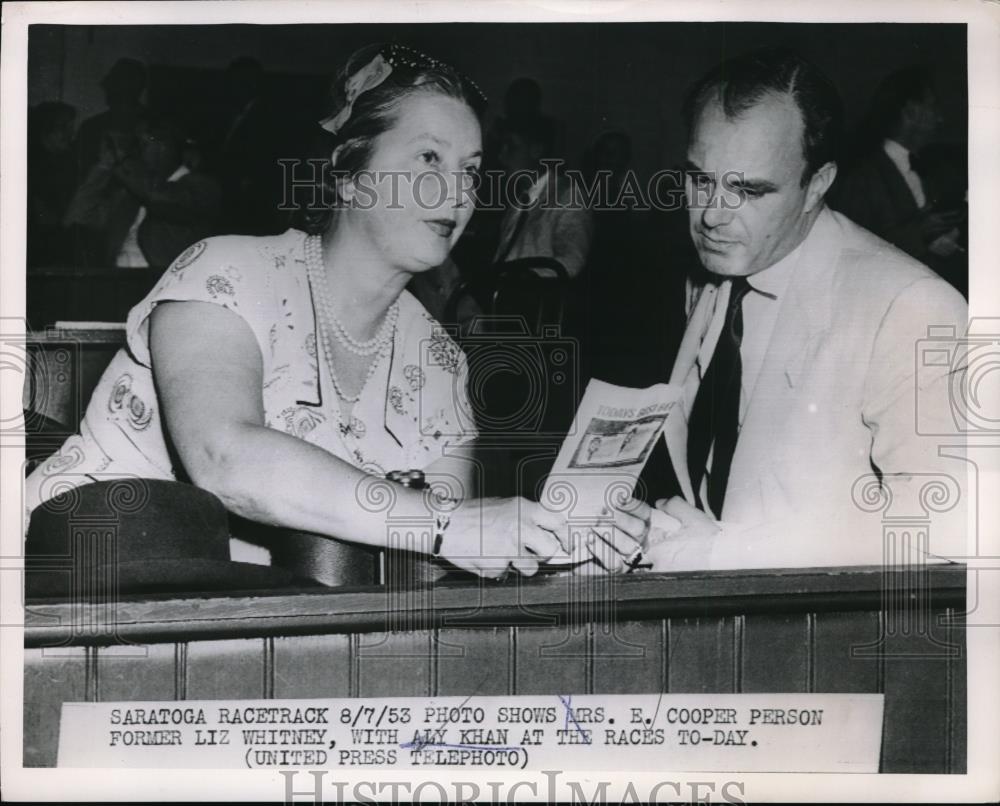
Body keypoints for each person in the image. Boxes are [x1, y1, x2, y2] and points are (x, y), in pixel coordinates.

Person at [27, 44, 633, 583]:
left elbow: (429, 561)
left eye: (470, 172)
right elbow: (224, 457)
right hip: (71, 586)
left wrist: (559, 541)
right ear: (348, 173)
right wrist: (453, 527)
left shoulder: (441, 361)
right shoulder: (225, 273)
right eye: (429, 159)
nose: (456, 193)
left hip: (258, 634)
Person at [593, 48, 968, 573]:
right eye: (700, 179)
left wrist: (727, 553)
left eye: (749, 189)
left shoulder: (911, 306)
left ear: (818, 184)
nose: (713, 216)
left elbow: (948, 527)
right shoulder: (709, 274)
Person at [829, 66, 964, 267]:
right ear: (911, 111)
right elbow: (850, 250)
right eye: (933, 106)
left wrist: (942, 239)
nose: (940, 117)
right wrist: (921, 235)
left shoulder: (929, 168)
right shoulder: (861, 175)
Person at [110, 116, 222, 269]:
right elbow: (80, 217)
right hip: (117, 277)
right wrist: (101, 169)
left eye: (147, 140)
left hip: (159, 280)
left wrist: (123, 160)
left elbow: (159, 198)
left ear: (167, 146)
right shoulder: (132, 186)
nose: (137, 149)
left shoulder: (201, 186)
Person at [493, 114, 594, 279]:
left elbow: (573, 259)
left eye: (511, 147)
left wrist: (528, 278)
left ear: (536, 150)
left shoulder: (568, 196)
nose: (501, 156)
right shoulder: (520, 201)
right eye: (501, 147)